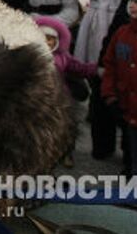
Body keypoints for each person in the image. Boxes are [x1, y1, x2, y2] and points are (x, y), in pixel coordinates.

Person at [101, 0, 137, 186]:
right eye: (131, 1)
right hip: (132, 116)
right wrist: (110, 96)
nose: (132, 6)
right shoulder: (122, 33)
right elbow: (110, 66)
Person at [35, 15, 97, 167]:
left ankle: (66, 153)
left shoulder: (63, 57)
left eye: (51, 39)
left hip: (61, 100)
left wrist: (97, 69)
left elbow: (78, 68)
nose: (47, 42)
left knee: (66, 129)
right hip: (38, 100)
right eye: (43, 38)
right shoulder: (31, 56)